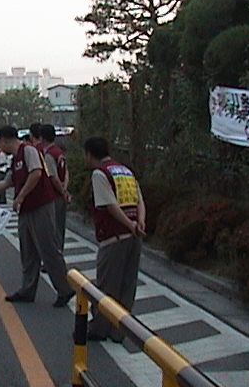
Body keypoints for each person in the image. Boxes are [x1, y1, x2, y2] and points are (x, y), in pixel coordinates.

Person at [0, 126, 75, 307]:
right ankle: (28, 289)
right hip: (26, 209)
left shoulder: (29, 151)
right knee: (28, 251)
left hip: (40, 206)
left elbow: (36, 173)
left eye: (0, 144)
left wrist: (20, 196)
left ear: (6, 140)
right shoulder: (15, 159)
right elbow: (8, 181)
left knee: (48, 248)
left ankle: (64, 288)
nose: (0, 148)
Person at [84, 137, 146, 342]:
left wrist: (129, 225)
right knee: (127, 286)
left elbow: (110, 205)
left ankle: (100, 328)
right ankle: (120, 331)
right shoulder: (125, 170)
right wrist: (139, 224)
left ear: (89, 154)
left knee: (106, 285)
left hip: (114, 237)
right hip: (134, 237)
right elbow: (139, 200)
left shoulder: (100, 174)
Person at [40, 124, 70, 250]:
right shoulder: (59, 152)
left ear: (42, 138)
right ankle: (59, 252)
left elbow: (53, 177)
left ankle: (54, 258)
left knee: (52, 229)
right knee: (60, 227)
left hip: (54, 195)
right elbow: (66, 173)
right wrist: (65, 189)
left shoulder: (49, 155)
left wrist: (62, 192)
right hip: (61, 193)